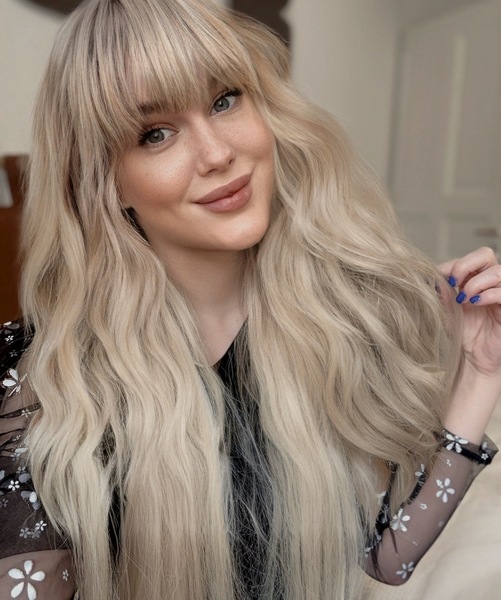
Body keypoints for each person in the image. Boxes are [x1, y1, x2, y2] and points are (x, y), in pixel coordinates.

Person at [0, 0, 500, 598]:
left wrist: (480, 373)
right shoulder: (40, 384)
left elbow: (387, 556)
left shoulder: (336, 321)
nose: (217, 154)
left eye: (224, 100)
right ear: (106, 181)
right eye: (155, 134)